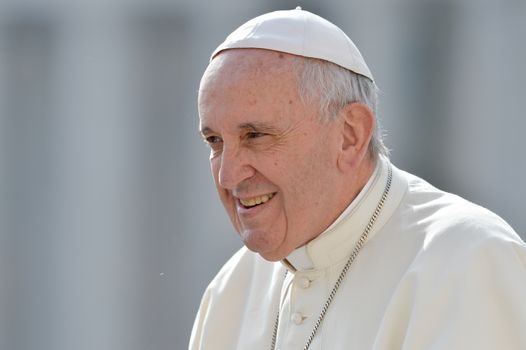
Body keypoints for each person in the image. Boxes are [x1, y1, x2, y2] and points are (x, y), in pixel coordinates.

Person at [189, 8, 526, 350]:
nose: (229, 175)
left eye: (256, 136)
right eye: (214, 142)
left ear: (350, 135)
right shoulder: (230, 293)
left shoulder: (467, 261)